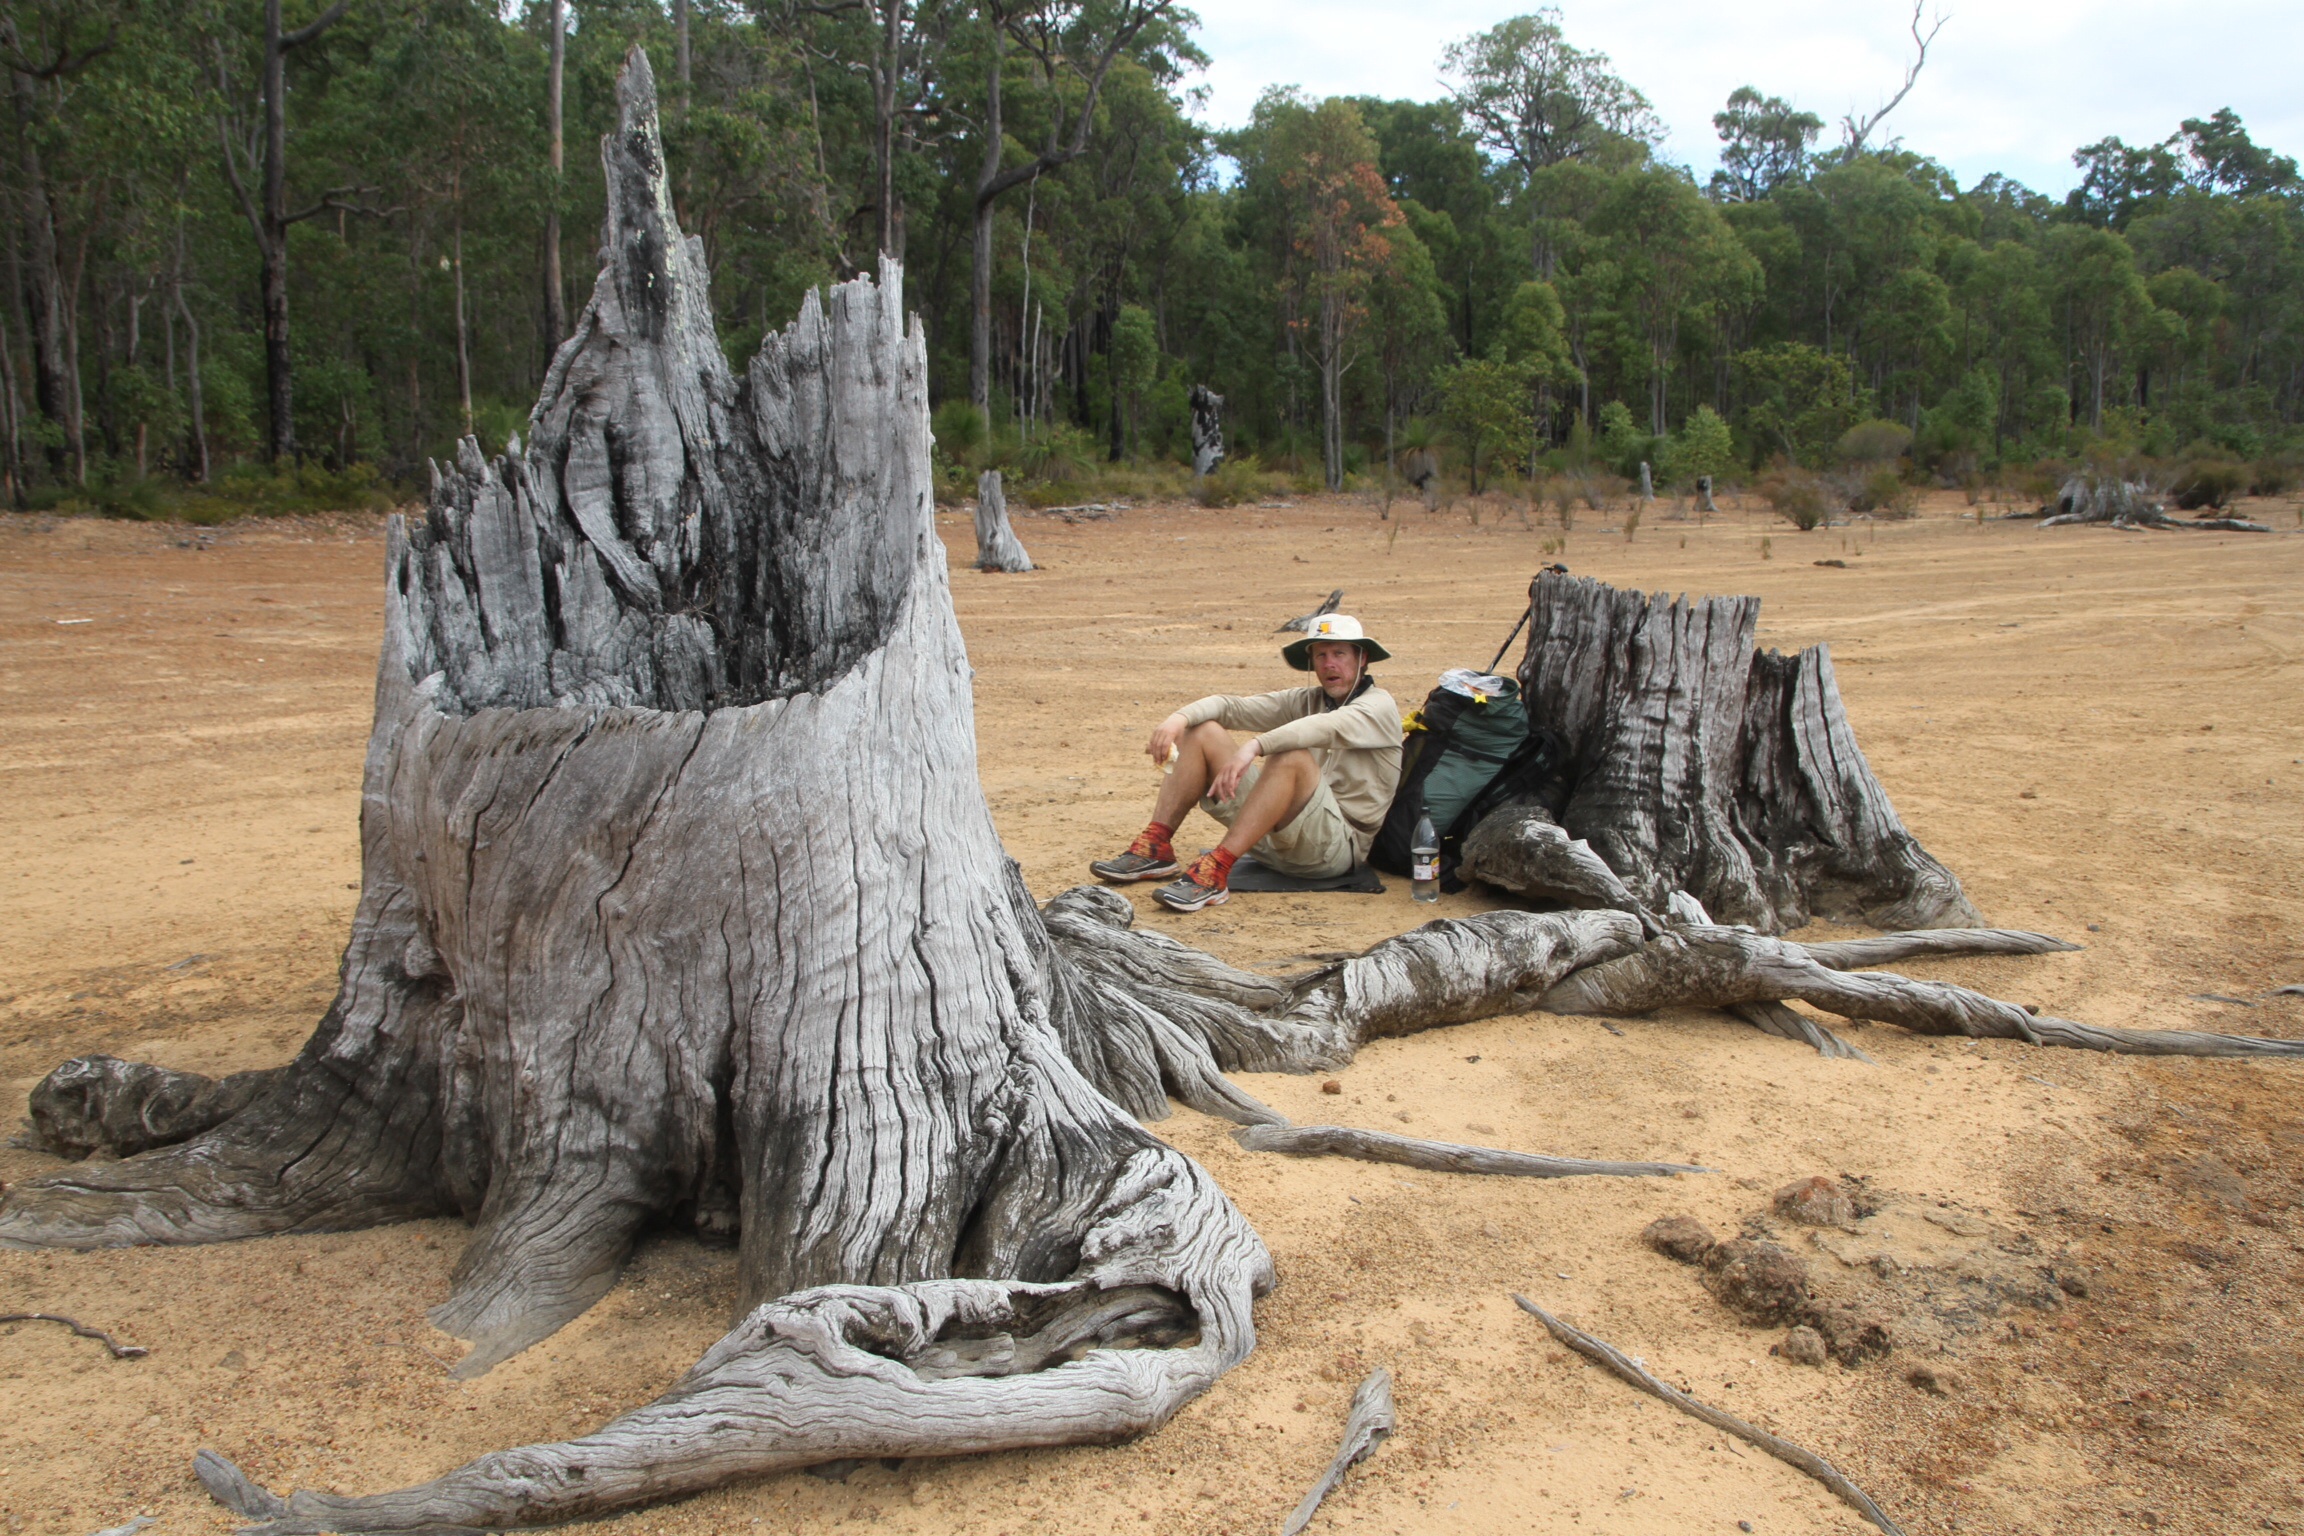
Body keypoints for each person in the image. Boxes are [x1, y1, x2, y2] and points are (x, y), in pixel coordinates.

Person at [1091, 613, 1403, 912]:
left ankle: (1218, 868)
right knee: (1202, 729)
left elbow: (1326, 727)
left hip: (1333, 852)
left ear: (1362, 658)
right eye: (1320, 655)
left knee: (1292, 753)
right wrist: (1177, 719)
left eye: (1339, 653)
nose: (1329, 664)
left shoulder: (1379, 705)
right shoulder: (1308, 700)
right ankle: (1157, 844)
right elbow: (1231, 707)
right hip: (1275, 840)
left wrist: (1254, 746)